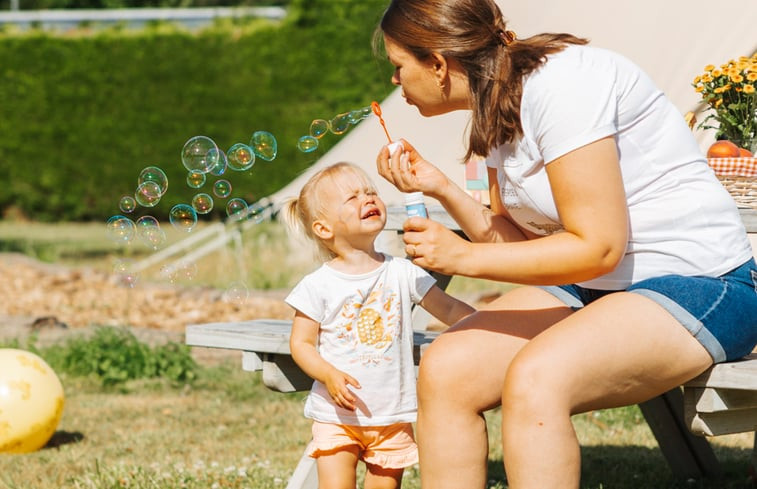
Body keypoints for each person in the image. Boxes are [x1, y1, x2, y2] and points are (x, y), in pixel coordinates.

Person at [372, 1, 757, 488]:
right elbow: (517, 241)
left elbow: (598, 248)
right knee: (448, 369)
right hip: (595, 286)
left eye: (397, 66)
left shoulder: (563, 86)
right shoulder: (497, 107)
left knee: (538, 377)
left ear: (439, 64)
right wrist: (440, 187)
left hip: (703, 283)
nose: (395, 81)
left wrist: (463, 255)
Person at [280, 162, 475, 489]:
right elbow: (300, 344)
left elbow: (449, 307)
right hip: (337, 415)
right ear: (324, 229)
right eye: (352, 197)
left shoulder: (403, 272)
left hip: (392, 414)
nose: (367, 198)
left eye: (370, 192)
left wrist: (487, 324)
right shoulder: (318, 284)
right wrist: (327, 374)